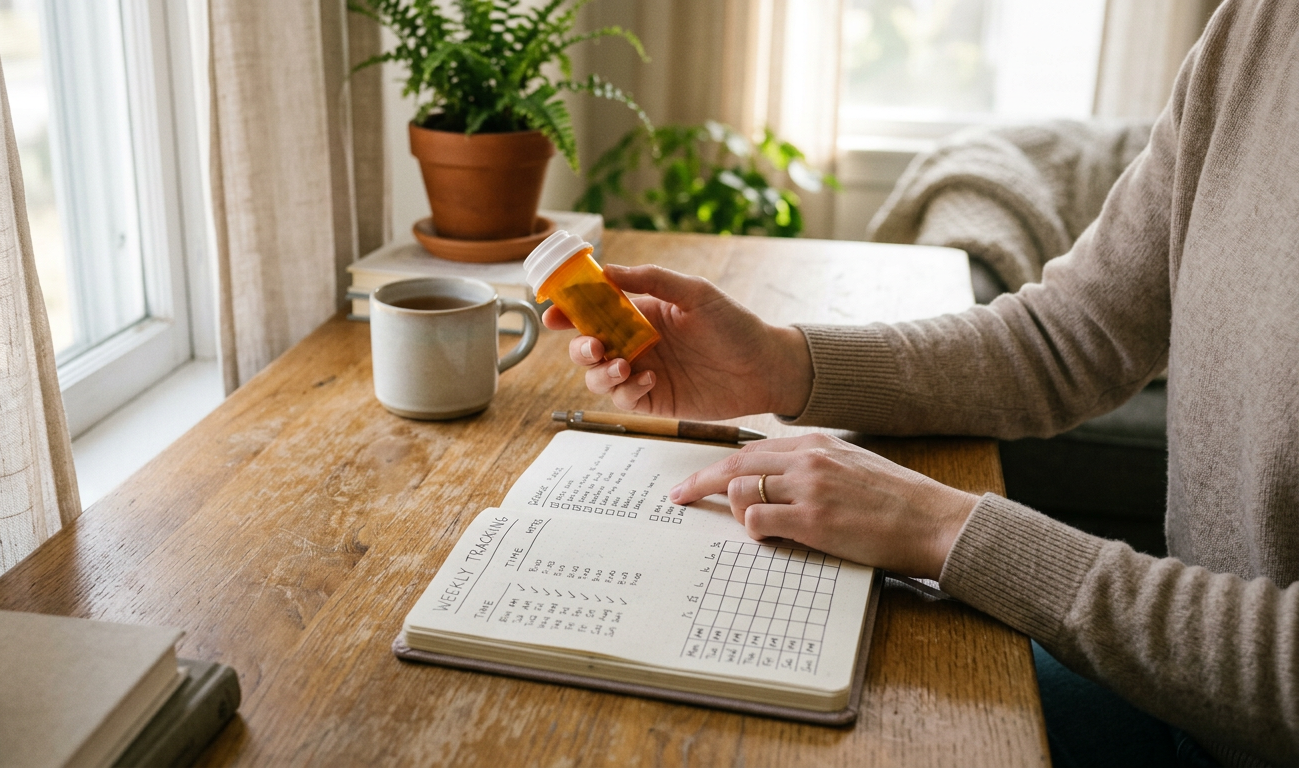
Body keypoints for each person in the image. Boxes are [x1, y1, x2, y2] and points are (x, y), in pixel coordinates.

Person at [544, 2, 1298, 765]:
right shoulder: (1253, 30)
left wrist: (946, 528)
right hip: (1171, 687)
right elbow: (1068, 337)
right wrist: (780, 364)